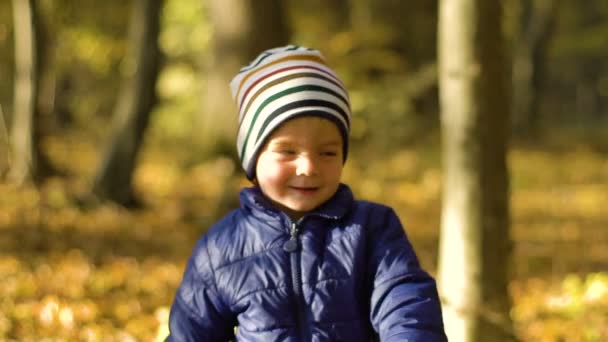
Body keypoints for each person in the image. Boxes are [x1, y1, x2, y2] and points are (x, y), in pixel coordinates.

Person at [166, 45, 447, 341]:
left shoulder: (372, 229)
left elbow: (406, 305)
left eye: (327, 152)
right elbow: (190, 332)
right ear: (253, 156)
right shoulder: (220, 247)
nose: (308, 167)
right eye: (287, 151)